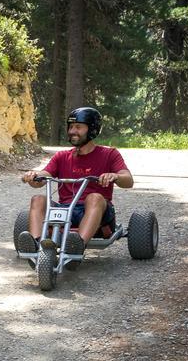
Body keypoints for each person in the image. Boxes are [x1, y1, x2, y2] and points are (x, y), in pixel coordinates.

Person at [19, 107, 133, 255]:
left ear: (92, 129)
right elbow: (42, 178)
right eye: (71, 127)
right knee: (38, 199)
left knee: (94, 197)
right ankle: (36, 246)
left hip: (97, 212)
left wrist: (115, 176)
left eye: (78, 127)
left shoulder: (109, 154)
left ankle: (77, 246)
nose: (72, 131)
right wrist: (33, 176)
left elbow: (128, 180)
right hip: (66, 210)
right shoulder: (61, 156)